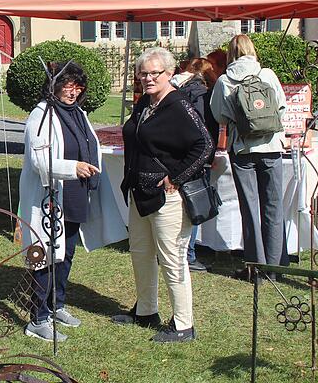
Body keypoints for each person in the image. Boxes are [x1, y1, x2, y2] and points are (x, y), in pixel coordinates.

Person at [114, 47, 213, 343]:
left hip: (167, 197)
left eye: (154, 72)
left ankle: (184, 324)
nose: (147, 78)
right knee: (141, 254)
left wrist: (177, 178)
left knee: (172, 259)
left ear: (170, 73)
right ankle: (146, 311)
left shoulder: (178, 106)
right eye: (143, 73)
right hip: (139, 191)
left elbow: (204, 145)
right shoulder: (145, 103)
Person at [19, 61, 101, 342]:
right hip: (48, 197)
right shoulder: (40, 116)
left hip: (74, 194)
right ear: (53, 85)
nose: (73, 91)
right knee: (44, 256)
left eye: (78, 86)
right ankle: (38, 318)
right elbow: (39, 160)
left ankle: (57, 305)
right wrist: (73, 168)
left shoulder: (78, 113)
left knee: (65, 255)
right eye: (68, 84)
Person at [210, 34, 288, 281]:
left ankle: (256, 267)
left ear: (230, 54)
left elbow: (219, 116)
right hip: (271, 147)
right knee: (274, 208)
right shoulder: (268, 75)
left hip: (243, 150)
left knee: (250, 209)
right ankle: (275, 268)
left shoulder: (224, 80)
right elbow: (281, 107)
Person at [171, 58, 220, 273]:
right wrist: (208, 156)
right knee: (194, 203)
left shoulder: (174, 89)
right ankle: (188, 255)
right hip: (195, 157)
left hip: (175, 155)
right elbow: (205, 131)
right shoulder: (202, 93)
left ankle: (178, 253)